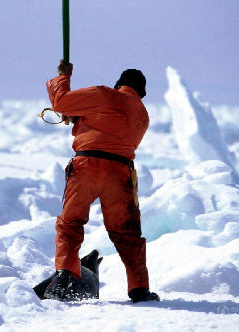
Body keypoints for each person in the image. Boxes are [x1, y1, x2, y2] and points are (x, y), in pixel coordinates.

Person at [43, 60, 159, 303]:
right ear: (142, 93)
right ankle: (139, 289)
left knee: (71, 223)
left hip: (88, 166)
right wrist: (79, 119)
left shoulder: (103, 94)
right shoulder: (142, 114)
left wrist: (63, 77)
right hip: (120, 173)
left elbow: (61, 102)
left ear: (119, 85)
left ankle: (65, 274)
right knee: (128, 234)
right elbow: (113, 131)